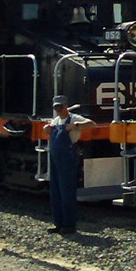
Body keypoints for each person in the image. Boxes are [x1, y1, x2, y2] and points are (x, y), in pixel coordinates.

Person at [43, 95, 95, 234]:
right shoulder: (56, 120)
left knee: (67, 192)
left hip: (68, 159)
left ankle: (69, 224)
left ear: (66, 106)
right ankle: (58, 223)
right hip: (55, 159)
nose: (58, 110)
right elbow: (48, 131)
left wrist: (76, 126)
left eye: (60, 107)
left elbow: (91, 124)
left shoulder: (74, 118)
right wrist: (47, 129)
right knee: (55, 192)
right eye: (56, 108)